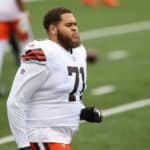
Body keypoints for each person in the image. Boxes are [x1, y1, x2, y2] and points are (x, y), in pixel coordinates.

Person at [7, 7, 103, 150]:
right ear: (53, 29)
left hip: (60, 137)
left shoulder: (79, 52)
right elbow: (15, 102)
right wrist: (23, 145)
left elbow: (60, 97)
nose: (74, 28)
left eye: (75, 24)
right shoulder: (42, 53)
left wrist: (83, 112)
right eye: (68, 25)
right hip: (42, 135)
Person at [0, 0, 33, 96]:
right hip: (16, 15)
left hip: (1, 17)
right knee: (28, 47)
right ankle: (29, 82)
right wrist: (24, 13)